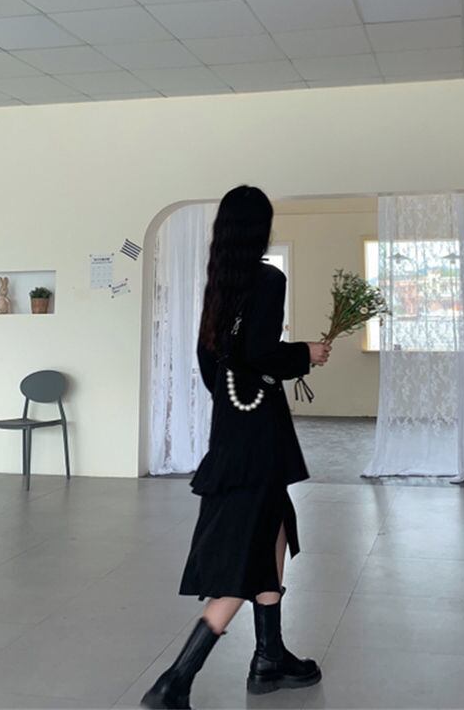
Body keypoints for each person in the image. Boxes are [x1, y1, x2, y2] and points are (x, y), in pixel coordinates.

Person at [141, 186, 331, 710]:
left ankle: (270, 655)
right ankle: (174, 683)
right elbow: (261, 352)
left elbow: (212, 362)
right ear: (260, 229)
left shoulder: (220, 285)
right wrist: (306, 353)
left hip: (231, 424)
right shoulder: (267, 280)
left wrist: (239, 389)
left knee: (274, 527)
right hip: (258, 432)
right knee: (247, 549)